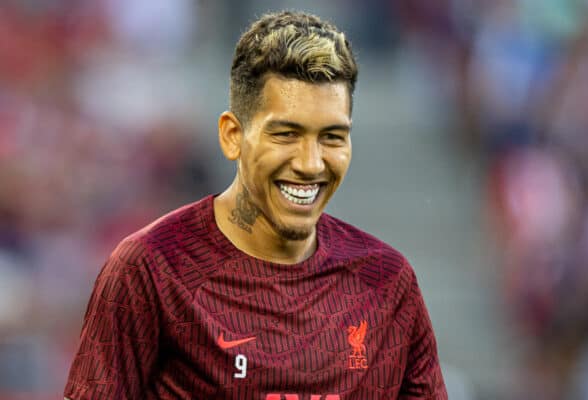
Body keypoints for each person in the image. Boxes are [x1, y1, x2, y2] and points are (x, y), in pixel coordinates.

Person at [64, 10, 447, 399]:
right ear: (233, 136)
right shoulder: (152, 268)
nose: (310, 163)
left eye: (331, 137)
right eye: (286, 134)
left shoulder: (385, 282)